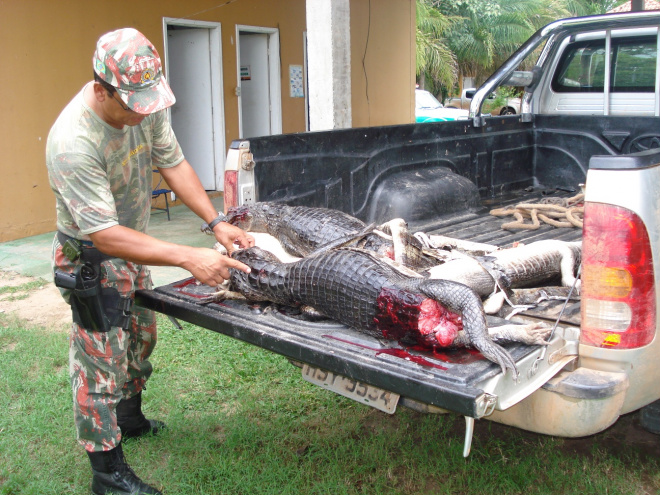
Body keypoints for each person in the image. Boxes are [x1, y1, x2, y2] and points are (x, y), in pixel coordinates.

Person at [46, 28, 255, 495]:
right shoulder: (72, 142)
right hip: (92, 256)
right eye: (132, 105)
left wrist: (215, 221)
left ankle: (129, 416)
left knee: (142, 334)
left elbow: (173, 161)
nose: (144, 112)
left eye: (149, 102)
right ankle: (107, 473)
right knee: (100, 359)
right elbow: (103, 233)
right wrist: (186, 257)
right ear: (101, 90)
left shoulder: (144, 101)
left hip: (133, 245)